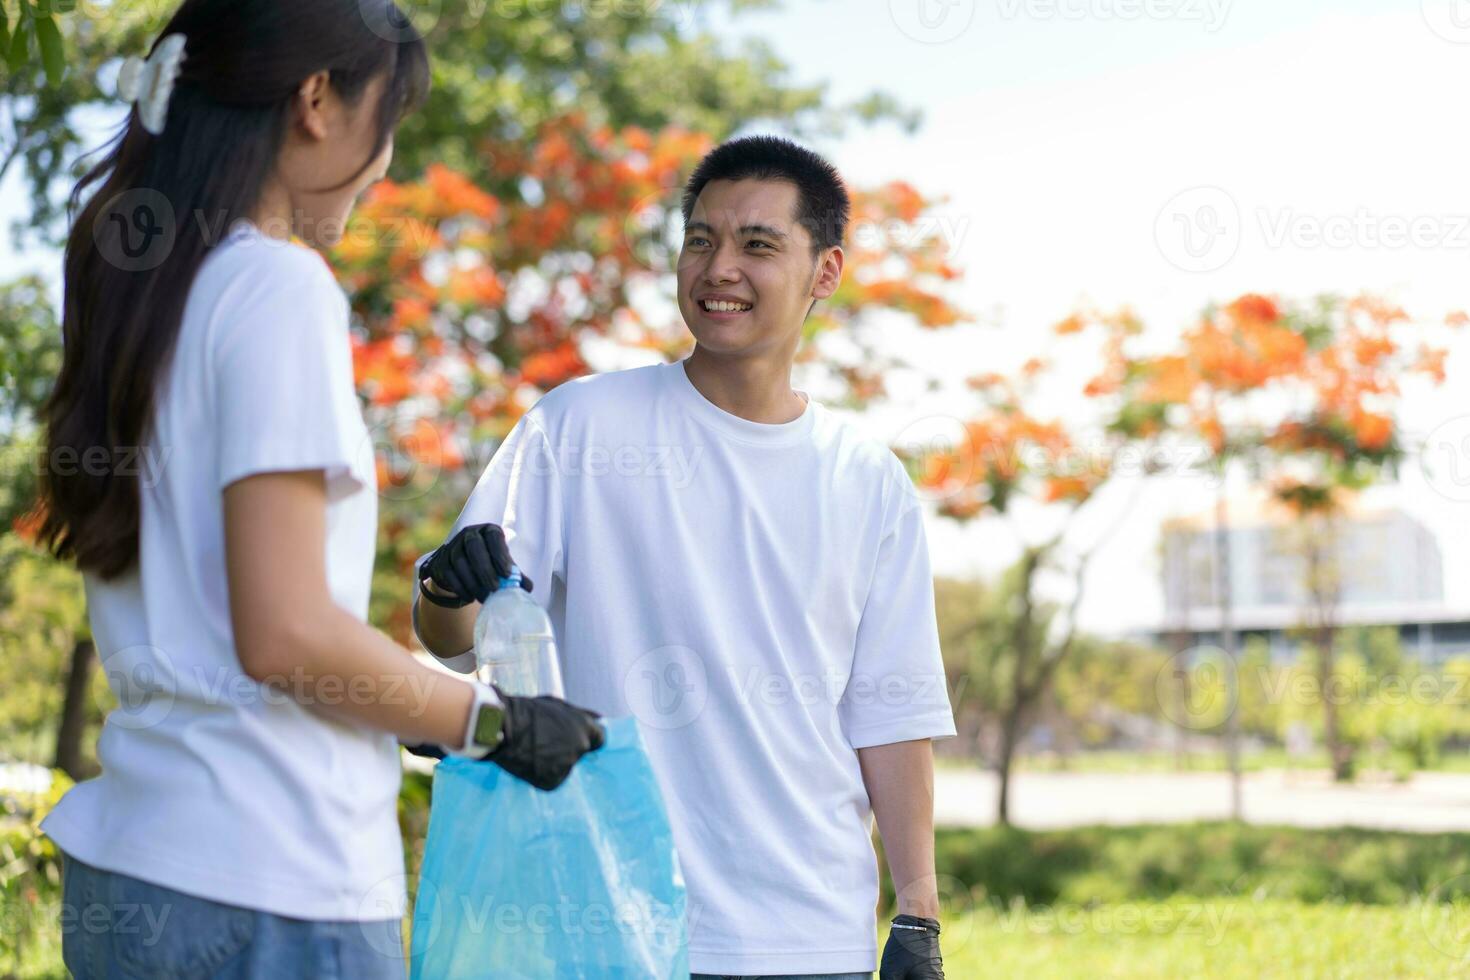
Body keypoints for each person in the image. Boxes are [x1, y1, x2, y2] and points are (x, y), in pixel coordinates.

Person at [36, 3, 602, 977]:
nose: (384, 162)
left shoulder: (147, 291)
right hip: (271, 882)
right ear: (315, 102)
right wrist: (491, 722)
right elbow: (287, 632)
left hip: (132, 870)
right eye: (386, 121)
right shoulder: (275, 287)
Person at [415, 135, 954, 979]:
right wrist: (445, 582)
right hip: (606, 922)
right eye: (700, 240)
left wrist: (917, 918)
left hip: (811, 935)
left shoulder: (868, 480)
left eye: (758, 245)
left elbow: (890, 718)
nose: (719, 267)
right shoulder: (581, 427)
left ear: (825, 271)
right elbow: (455, 634)